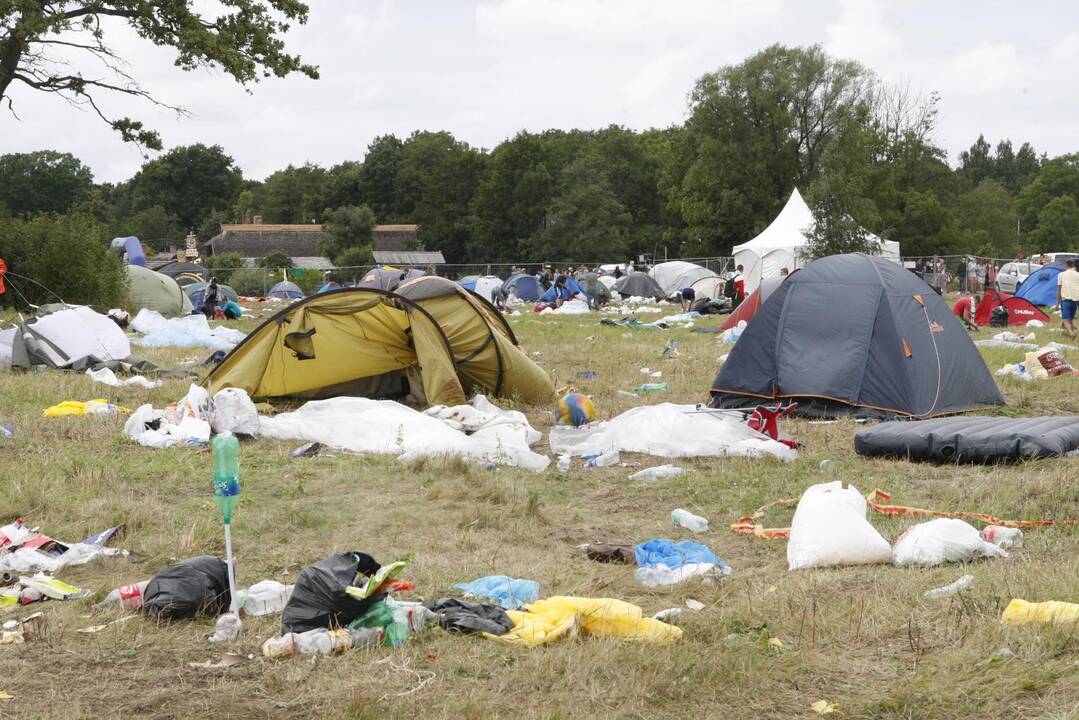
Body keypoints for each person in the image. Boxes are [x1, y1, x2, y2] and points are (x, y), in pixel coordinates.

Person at [1056, 259, 1079, 339]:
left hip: (1066, 299)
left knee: (1065, 319)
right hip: (1075, 300)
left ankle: (1071, 333)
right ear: (1073, 265)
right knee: (1071, 319)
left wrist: (1057, 304)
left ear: (1066, 265)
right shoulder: (1077, 274)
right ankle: (1070, 336)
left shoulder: (1061, 275)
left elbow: (1059, 289)